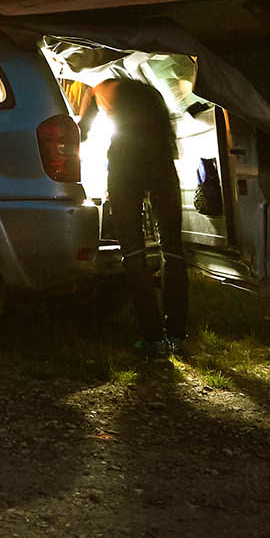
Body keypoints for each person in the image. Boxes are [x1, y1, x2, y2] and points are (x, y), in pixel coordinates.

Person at [79, 74, 187, 356]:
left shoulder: (96, 90)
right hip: (161, 163)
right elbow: (168, 136)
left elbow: (82, 130)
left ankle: (153, 339)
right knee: (173, 252)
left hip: (126, 166)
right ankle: (176, 335)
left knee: (133, 252)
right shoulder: (149, 93)